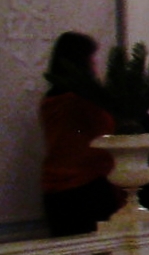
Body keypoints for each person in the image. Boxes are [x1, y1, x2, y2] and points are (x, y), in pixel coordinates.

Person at [39, 31, 117, 236]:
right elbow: (107, 136)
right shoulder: (84, 100)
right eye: (92, 58)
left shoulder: (50, 99)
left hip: (55, 190)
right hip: (88, 187)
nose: (95, 64)